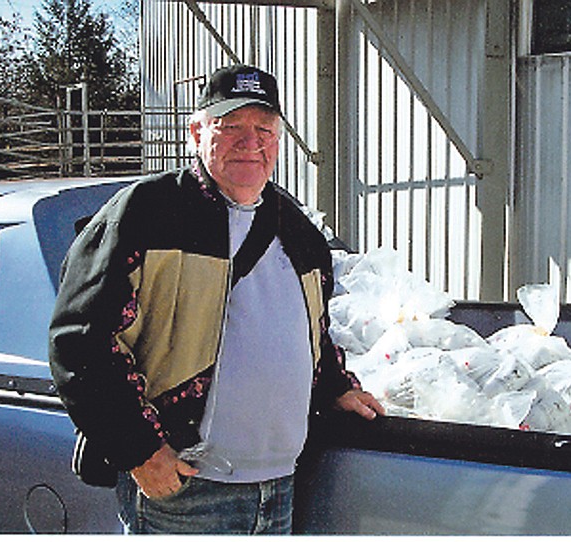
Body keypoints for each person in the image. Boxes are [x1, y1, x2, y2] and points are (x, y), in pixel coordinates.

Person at [48, 64, 384, 534]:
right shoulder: (146, 213)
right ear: (196, 132)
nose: (251, 142)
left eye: (264, 129)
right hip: (185, 489)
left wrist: (336, 388)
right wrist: (139, 450)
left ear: (279, 138)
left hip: (281, 485)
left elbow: (312, 330)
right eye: (231, 128)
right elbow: (81, 338)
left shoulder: (298, 230)